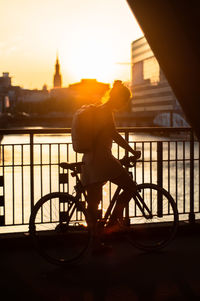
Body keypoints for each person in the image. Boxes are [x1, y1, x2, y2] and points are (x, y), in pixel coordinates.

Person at [81, 80, 141, 235]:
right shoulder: (107, 112)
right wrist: (132, 152)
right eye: (125, 101)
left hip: (89, 159)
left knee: (93, 205)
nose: (125, 104)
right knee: (130, 187)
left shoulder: (99, 109)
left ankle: (95, 243)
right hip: (102, 159)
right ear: (120, 99)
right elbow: (114, 135)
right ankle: (114, 222)